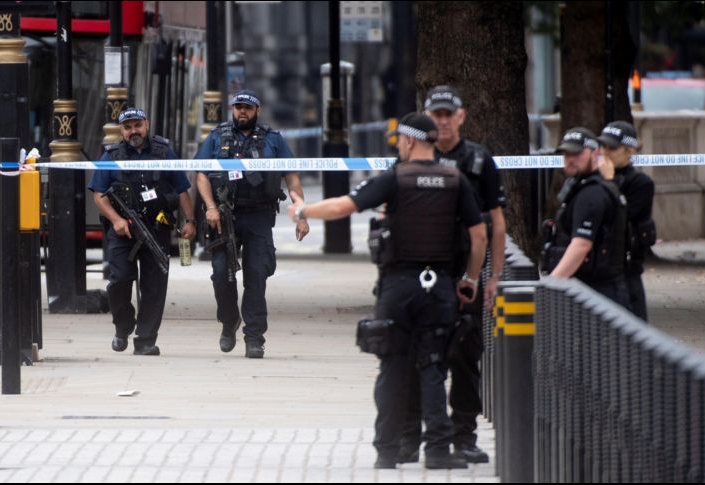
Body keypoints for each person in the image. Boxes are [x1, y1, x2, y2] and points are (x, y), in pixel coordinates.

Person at [287, 112, 487, 469]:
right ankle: (439, 453)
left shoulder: (395, 179)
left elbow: (343, 205)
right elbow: (479, 236)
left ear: (408, 140)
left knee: (393, 368)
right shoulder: (456, 180)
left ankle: (387, 453)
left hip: (399, 286)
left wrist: (304, 208)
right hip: (439, 286)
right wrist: (469, 280)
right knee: (434, 368)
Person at [397, 85, 507, 464]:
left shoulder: (478, 160)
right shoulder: (410, 157)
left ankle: (464, 437)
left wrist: (490, 277)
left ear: (461, 116)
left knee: (464, 356)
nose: (442, 121)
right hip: (421, 271)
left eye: (448, 114)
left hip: (464, 273)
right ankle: (410, 437)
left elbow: (495, 222)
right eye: (436, 115)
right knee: (415, 356)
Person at [195, 89, 309, 359]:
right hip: (223, 216)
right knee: (221, 275)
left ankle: (255, 337)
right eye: (238, 107)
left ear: (257, 110)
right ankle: (228, 321)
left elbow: (291, 177)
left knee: (256, 277)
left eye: (247, 107)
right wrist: (210, 207)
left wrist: (301, 213)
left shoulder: (273, 139)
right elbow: (200, 174)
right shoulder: (216, 137)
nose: (242, 111)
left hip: (258, 217)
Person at [89, 107, 196, 356]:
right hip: (123, 230)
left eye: (137, 125)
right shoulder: (111, 155)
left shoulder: (163, 151)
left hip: (157, 228)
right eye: (127, 127)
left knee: (154, 286)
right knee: (119, 280)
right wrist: (116, 220)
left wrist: (190, 220)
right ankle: (123, 325)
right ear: (121, 130)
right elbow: (99, 195)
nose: (133, 131)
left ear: (146, 125)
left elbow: (182, 190)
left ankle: (146, 339)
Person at [543, 127, 630, 308]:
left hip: (597, 292)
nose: (570, 159)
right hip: (593, 288)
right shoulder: (585, 186)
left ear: (594, 153)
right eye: (566, 154)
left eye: (577, 153)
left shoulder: (592, 193)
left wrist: (551, 284)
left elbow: (581, 245)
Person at [597, 121, 655, 321]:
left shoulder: (641, 184)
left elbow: (620, 216)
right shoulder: (595, 178)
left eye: (611, 148)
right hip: (597, 269)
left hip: (626, 271)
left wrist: (610, 182)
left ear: (629, 151)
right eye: (602, 146)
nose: (605, 152)